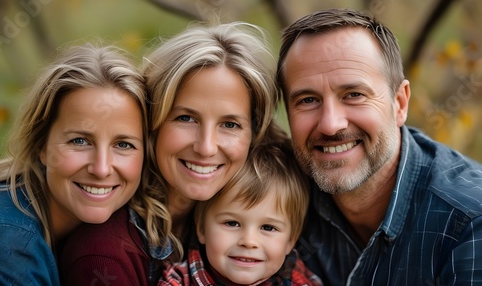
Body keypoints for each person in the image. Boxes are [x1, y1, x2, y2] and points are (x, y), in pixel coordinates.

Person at [59, 21, 279, 285]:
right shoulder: (105, 256)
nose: (206, 147)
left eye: (230, 125)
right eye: (186, 118)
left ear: (254, 134)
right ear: (153, 121)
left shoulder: (257, 227)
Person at [276, 8, 482, 285]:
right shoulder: (275, 194)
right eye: (307, 100)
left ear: (400, 103)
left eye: (354, 95)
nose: (330, 124)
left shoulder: (470, 221)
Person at [0, 43, 148, 285]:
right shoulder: (8, 247)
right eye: (80, 141)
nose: (101, 169)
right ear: (42, 145)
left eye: (123, 145)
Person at [158, 129, 323, 286]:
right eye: (232, 223)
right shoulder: (178, 281)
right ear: (201, 227)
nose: (249, 241)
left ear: (290, 240)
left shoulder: (298, 280)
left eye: (268, 227)